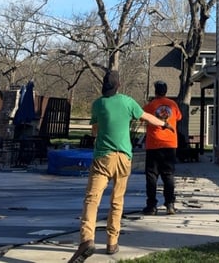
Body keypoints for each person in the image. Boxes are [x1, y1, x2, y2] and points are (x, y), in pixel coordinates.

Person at [68, 70, 174, 263]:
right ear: (119, 85)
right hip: (124, 158)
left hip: (103, 158)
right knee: (117, 201)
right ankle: (112, 242)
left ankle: (86, 240)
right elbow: (149, 118)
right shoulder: (127, 102)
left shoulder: (98, 104)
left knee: (92, 200)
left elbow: (93, 132)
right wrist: (165, 125)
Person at [142, 80, 182, 215]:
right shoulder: (173, 105)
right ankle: (170, 204)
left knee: (152, 176)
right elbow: (178, 117)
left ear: (155, 91)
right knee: (168, 175)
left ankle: (151, 206)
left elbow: (142, 118)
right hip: (170, 144)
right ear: (166, 90)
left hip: (153, 144)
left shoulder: (150, 106)